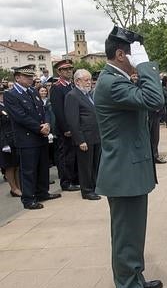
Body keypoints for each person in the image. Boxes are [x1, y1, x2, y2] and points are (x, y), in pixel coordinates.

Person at [93, 26, 164, 288]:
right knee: (126, 236)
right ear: (121, 54)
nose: (137, 58)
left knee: (134, 232)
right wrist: (145, 65)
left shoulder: (118, 79)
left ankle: (134, 278)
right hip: (123, 173)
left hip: (130, 170)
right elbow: (155, 100)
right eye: (134, 53)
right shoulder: (111, 82)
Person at [3, 65, 61, 210]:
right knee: (28, 170)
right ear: (17, 78)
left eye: (31, 77)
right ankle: (28, 198)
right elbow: (20, 116)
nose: (31, 79)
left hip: (40, 135)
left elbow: (43, 109)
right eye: (27, 77)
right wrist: (39, 127)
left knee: (42, 167)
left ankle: (42, 192)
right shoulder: (11, 94)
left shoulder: (32, 91)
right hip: (27, 138)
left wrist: (47, 123)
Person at [64, 69, 101, 201]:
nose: (89, 82)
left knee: (95, 164)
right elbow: (73, 121)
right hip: (85, 138)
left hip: (95, 136)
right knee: (85, 166)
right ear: (77, 81)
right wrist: (80, 140)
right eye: (86, 80)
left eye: (90, 80)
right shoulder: (72, 96)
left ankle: (95, 186)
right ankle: (87, 190)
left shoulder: (88, 95)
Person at [50, 59, 80, 192]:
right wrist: (66, 128)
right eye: (65, 69)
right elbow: (58, 110)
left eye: (70, 69)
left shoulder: (72, 86)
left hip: (74, 126)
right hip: (65, 129)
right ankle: (66, 182)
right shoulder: (57, 87)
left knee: (74, 155)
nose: (69, 71)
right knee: (65, 156)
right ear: (59, 71)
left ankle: (74, 179)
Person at [0, 88, 21, 197]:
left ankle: (18, 186)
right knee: (9, 166)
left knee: (16, 164)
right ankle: (13, 188)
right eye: (1, 94)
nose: (3, 96)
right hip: (5, 140)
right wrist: (3, 143)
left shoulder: (7, 105)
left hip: (14, 138)